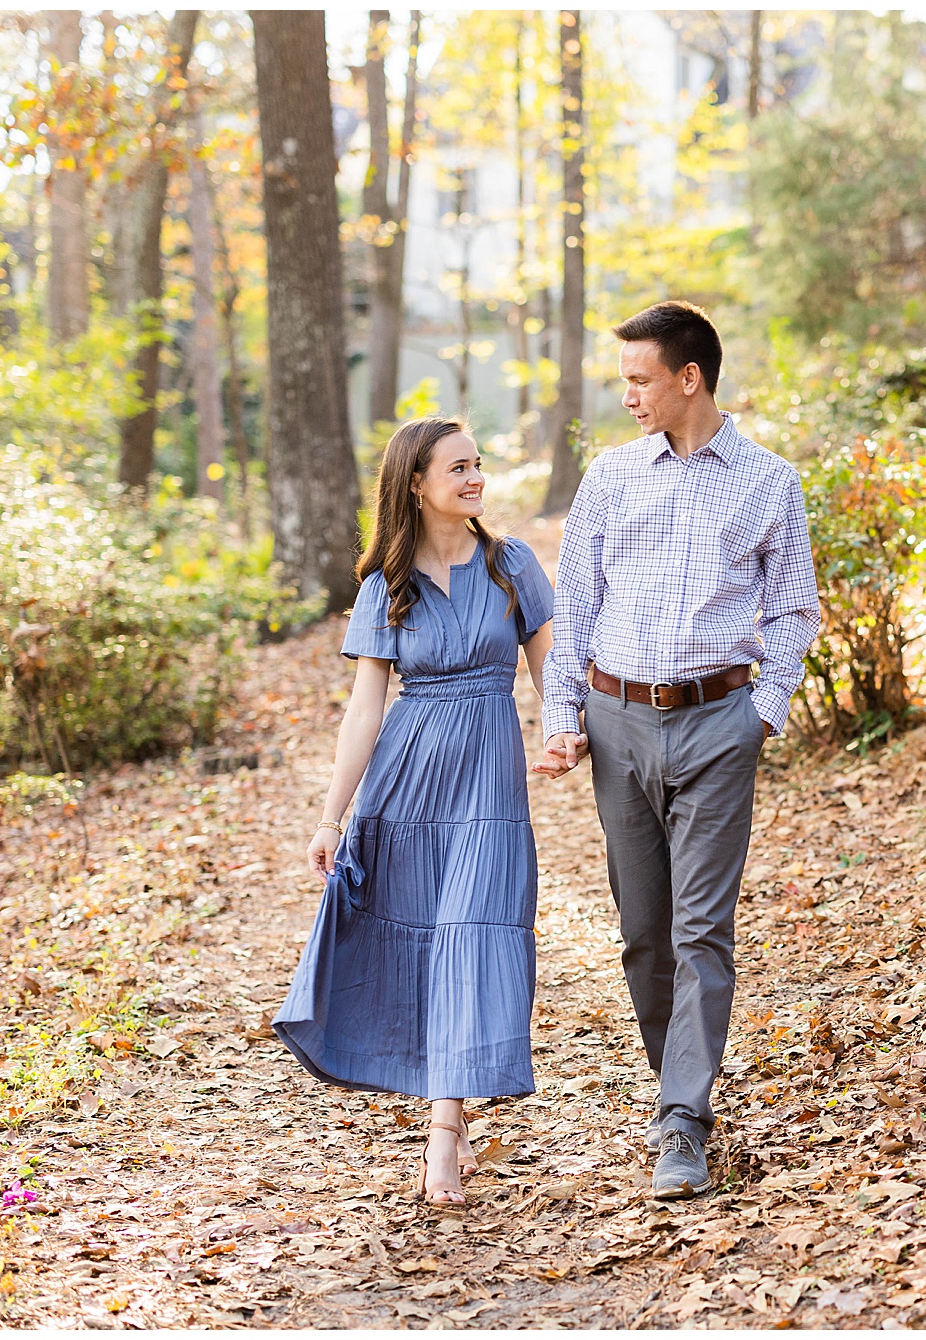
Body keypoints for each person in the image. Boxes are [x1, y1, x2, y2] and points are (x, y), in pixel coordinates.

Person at [534, 300, 821, 1199]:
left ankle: (682, 1123)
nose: (627, 395)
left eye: (639, 379)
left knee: (702, 929)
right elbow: (572, 605)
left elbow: (794, 609)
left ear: (688, 378)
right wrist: (560, 716)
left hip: (716, 724)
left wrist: (760, 715)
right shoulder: (611, 477)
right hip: (618, 728)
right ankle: (678, 1083)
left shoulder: (770, 483)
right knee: (642, 935)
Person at [274, 416, 558, 1207]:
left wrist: (569, 735)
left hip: (488, 786)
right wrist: (331, 819)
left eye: (479, 463)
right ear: (416, 484)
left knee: (472, 933)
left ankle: (443, 1124)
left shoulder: (512, 567)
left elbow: (552, 670)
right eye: (458, 467)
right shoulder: (384, 588)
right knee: (424, 938)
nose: (475, 479)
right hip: (405, 783)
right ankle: (444, 1110)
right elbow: (365, 709)